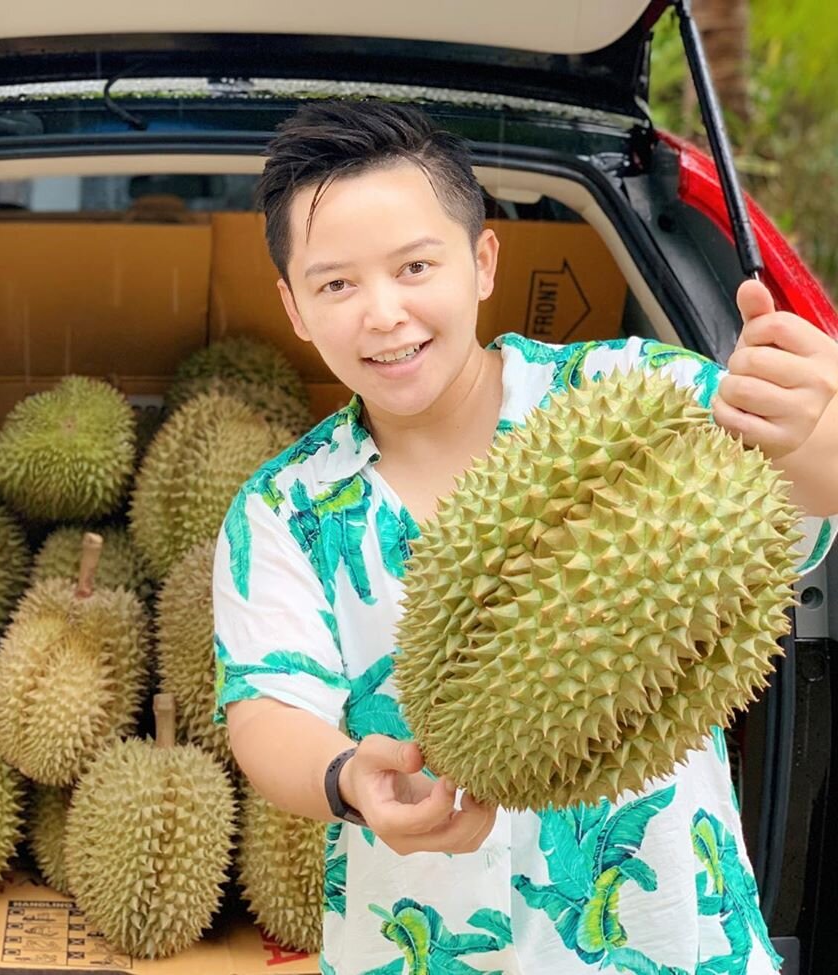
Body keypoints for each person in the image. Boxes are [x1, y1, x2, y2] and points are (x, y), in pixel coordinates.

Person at [212, 100, 838, 975]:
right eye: (336, 285)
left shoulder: (634, 393)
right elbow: (266, 704)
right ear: (295, 308)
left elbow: (799, 489)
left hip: (664, 937)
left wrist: (822, 415)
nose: (385, 314)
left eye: (415, 265)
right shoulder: (281, 508)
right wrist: (349, 777)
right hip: (421, 938)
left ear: (482, 263)